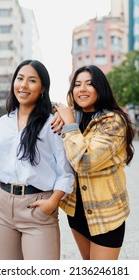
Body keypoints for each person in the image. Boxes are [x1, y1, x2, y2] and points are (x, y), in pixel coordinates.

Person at [0, 59, 74, 260]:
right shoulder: (4, 121)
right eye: (20, 79)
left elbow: (66, 171)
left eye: (32, 80)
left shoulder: (52, 124)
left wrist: (52, 202)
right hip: (1, 208)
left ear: (43, 88)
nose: (23, 85)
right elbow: (1, 158)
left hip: (37, 207)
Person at [54, 65, 134, 260]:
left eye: (89, 84)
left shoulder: (113, 122)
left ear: (101, 88)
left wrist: (69, 125)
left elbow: (85, 162)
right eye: (77, 84)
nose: (82, 89)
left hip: (106, 214)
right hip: (76, 212)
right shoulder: (72, 117)